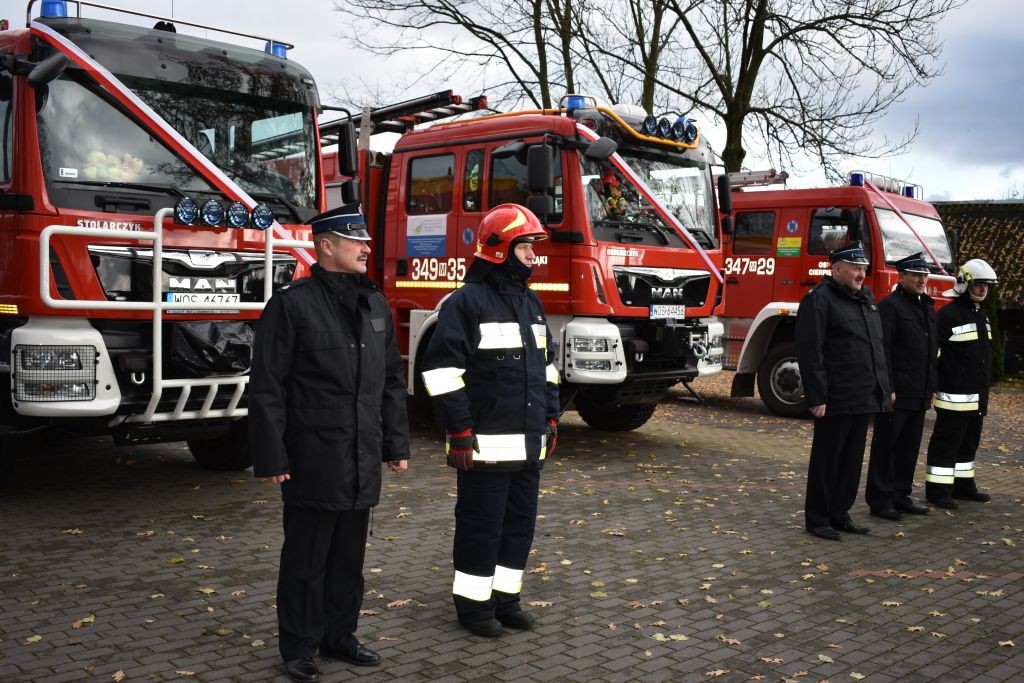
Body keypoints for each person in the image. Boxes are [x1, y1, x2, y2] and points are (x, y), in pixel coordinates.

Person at [249, 201, 410, 682]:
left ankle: (340, 637)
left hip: (360, 457)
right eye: (356, 240)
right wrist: (271, 454)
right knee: (306, 561)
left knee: (348, 559)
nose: (366, 248)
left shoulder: (373, 302)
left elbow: (391, 383)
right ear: (326, 246)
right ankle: (298, 648)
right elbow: (267, 387)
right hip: (312, 457)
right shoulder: (292, 305)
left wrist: (396, 444)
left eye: (365, 240)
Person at [421, 204, 560, 638]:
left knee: (518, 528)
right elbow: (441, 372)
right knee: (481, 530)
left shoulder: (530, 301)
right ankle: (474, 609)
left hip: (528, 447)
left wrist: (552, 419)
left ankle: (506, 601)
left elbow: (547, 368)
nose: (534, 256)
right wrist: (459, 431)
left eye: (535, 248)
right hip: (482, 448)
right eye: (526, 247)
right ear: (499, 248)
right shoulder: (466, 303)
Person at [796, 244, 892, 541]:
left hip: (862, 396)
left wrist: (885, 390)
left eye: (864, 268)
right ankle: (818, 519)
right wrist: (817, 396)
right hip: (835, 398)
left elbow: (877, 350)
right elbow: (811, 352)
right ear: (835, 268)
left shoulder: (866, 301)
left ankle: (840, 513)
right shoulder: (819, 301)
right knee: (827, 461)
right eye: (855, 267)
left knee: (851, 462)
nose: (861, 273)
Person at [864, 253, 937, 520]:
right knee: (886, 447)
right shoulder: (890, 307)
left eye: (925, 275)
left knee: (909, 447)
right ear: (902, 276)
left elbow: (931, 350)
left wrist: (932, 384)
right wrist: (888, 388)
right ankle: (880, 500)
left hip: (919, 392)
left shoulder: (926, 306)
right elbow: (883, 351)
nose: (921, 279)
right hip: (898, 393)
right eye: (916, 275)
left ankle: (901, 495)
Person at [924, 258, 998, 509]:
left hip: (976, 397)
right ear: (965, 284)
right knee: (946, 444)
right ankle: (938, 491)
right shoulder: (948, 315)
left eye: (986, 286)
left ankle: (964, 486)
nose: (983, 290)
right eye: (978, 285)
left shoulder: (982, 316)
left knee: (969, 443)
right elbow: (934, 355)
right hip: (954, 397)